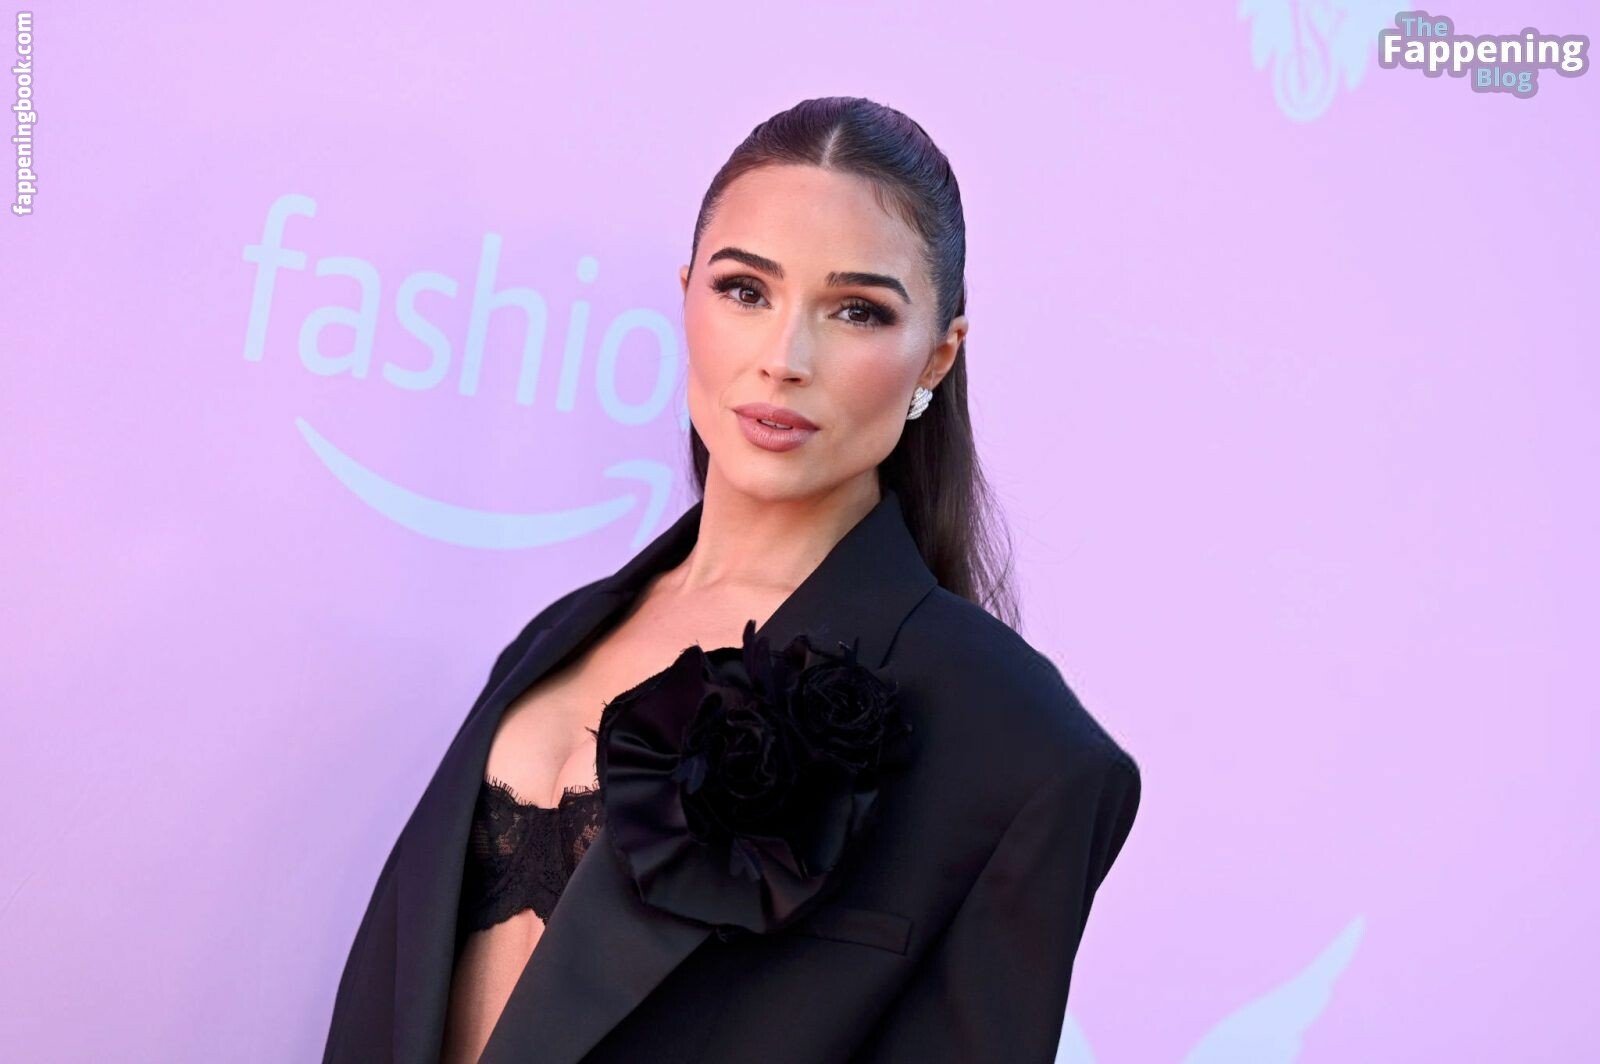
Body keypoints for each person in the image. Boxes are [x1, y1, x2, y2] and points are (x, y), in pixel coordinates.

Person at [322, 95, 1141, 1064]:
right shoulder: (550, 640)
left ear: (938, 355)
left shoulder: (1022, 751)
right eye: (745, 290)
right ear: (686, 298)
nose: (783, 359)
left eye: (857, 311)